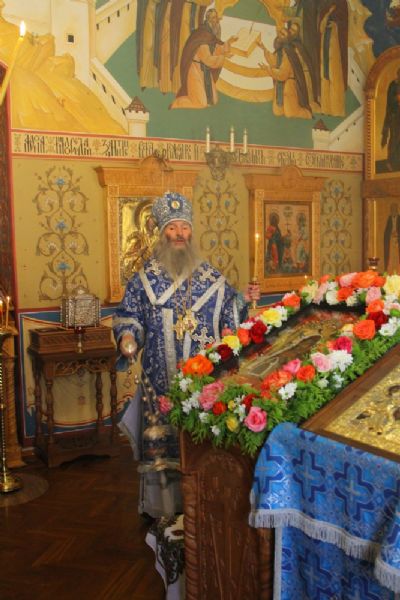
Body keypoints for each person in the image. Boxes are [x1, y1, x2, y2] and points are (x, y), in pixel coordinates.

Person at [113, 191, 260, 519]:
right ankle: (163, 509)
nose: (179, 233)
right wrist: (128, 337)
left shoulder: (209, 277)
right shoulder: (145, 279)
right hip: (160, 378)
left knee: (199, 441)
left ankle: (201, 507)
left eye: (184, 227)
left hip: (201, 380)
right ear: (161, 232)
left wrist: (244, 300)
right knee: (162, 444)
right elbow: (129, 315)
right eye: (172, 227)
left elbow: (230, 313)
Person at [170, 8, 237, 109]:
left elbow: (216, 48)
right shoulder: (203, 36)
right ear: (209, 20)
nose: (217, 20)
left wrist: (229, 42)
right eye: (214, 18)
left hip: (204, 70)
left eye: (217, 17)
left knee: (214, 100)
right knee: (201, 103)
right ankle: (176, 104)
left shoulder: (209, 35)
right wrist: (223, 56)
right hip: (195, 70)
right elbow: (208, 60)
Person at [258, 27, 312, 119]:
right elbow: (274, 62)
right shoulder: (281, 50)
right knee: (277, 112)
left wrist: (268, 69)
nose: (279, 36)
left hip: (288, 86)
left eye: (283, 35)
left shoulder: (288, 52)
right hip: (280, 84)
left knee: (291, 113)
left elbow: (282, 74)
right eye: (280, 33)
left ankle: (308, 114)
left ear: (287, 39)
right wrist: (264, 49)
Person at [381, 68, 400, 173]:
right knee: (395, 138)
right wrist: (397, 98)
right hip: (394, 117)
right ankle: (390, 162)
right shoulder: (393, 85)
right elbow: (390, 101)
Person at [383, 202, 400, 273]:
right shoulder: (389, 219)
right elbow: (386, 231)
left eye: (395, 209)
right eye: (392, 209)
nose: (393, 210)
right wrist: (390, 234)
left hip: (398, 241)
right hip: (391, 241)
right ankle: (390, 270)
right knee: (391, 256)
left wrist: (397, 234)